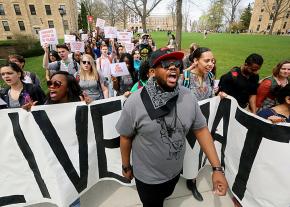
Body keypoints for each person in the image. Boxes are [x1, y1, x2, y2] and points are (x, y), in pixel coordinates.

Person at [116, 48, 228, 207]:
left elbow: (201, 130)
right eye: (166, 63)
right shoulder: (135, 102)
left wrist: (217, 169)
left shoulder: (188, 96)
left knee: (166, 195)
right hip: (148, 179)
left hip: (175, 172)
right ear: (153, 71)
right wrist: (126, 166)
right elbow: (125, 137)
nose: (173, 66)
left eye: (176, 63)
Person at [181, 47, 216, 201]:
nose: (211, 64)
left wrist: (219, 95)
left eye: (212, 60)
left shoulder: (210, 76)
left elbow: (211, 97)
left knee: (195, 154)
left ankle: (191, 180)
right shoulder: (185, 77)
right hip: (184, 126)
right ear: (195, 61)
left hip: (201, 126)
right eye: (206, 60)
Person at [45, 71, 84, 207]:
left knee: (71, 193)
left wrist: (90, 106)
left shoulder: (80, 105)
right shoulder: (43, 108)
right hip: (54, 159)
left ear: (68, 87)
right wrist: (27, 115)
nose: (52, 86)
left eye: (57, 84)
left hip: (73, 159)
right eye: (50, 83)